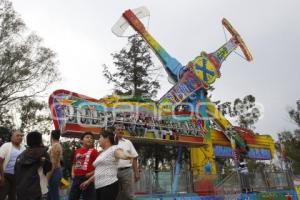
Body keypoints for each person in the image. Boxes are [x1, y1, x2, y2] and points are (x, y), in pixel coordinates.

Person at [80, 130, 135, 200]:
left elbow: (120, 153)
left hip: (109, 185)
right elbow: (99, 170)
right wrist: (88, 181)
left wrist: (127, 156)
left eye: (100, 137)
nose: (99, 139)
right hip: (99, 186)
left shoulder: (114, 148)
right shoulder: (101, 153)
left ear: (107, 138)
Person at [15, 131, 52, 200]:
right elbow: (48, 168)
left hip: (22, 189)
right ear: (39, 140)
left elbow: (16, 171)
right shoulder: (43, 153)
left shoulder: (21, 155)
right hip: (39, 189)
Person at [68, 132, 98, 200]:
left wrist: (90, 174)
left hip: (88, 179)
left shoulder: (95, 151)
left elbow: (99, 167)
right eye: (87, 137)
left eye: (91, 138)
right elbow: (74, 163)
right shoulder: (77, 151)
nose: (89, 139)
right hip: (77, 178)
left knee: (89, 198)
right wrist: (72, 173)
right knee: (72, 197)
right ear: (81, 140)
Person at [115, 124, 140, 200]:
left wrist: (136, 172)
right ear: (115, 131)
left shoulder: (128, 142)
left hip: (127, 171)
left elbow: (134, 157)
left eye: (122, 129)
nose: (120, 131)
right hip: (113, 172)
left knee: (129, 195)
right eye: (118, 129)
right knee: (116, 195)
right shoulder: (110, 142)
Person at [0, 130, 25, 200]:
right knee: (2, 195)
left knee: (13, 196)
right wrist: (2, 177)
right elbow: (0, 162)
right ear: (12, 137)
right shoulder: (6, 146)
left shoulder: (23, 148)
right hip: (6, 175)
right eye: (17, 135)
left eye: (21, 136)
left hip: (17, 177)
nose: (20, 137)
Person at [47, 130, 63, 200]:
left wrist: (48, 176)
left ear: (51, 136)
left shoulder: (56, 146)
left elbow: (53, 163)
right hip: (55, 171)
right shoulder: (55, 145)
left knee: (53, 195)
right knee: (51, 194)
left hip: (54, 171)